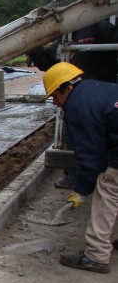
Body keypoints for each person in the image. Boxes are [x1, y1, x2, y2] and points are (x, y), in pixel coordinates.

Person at [42, 62, 118, 274]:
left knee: (108, 192)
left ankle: (96, 256)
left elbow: (90, 157)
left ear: (66, 88)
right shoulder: (97, 89)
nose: (56, 103)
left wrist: (81, 190)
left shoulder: (78, 107)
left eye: (55, 97)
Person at [27, 19, 118, 189]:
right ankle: (80, 176)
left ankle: (92, 179)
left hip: (95, 94)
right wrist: (32, 46)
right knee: (77, 139)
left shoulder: (97, 24)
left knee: (93, 141)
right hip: (75, 97)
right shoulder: (67, 33)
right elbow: (51, 63)